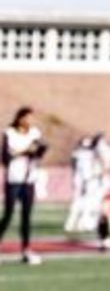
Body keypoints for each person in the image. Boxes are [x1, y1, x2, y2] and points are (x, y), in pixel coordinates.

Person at [0, 106, 47, 264]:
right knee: (8, 214)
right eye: (27, 117)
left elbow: (41, 150)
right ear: (20, 118)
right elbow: (5, 158)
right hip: (13, 179)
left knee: (26, 216)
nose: (30, 121)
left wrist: (36, 150)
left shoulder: (34, 133)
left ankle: (26, 249)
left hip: (29, 179)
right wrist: (24, 152)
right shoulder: (9, 133)